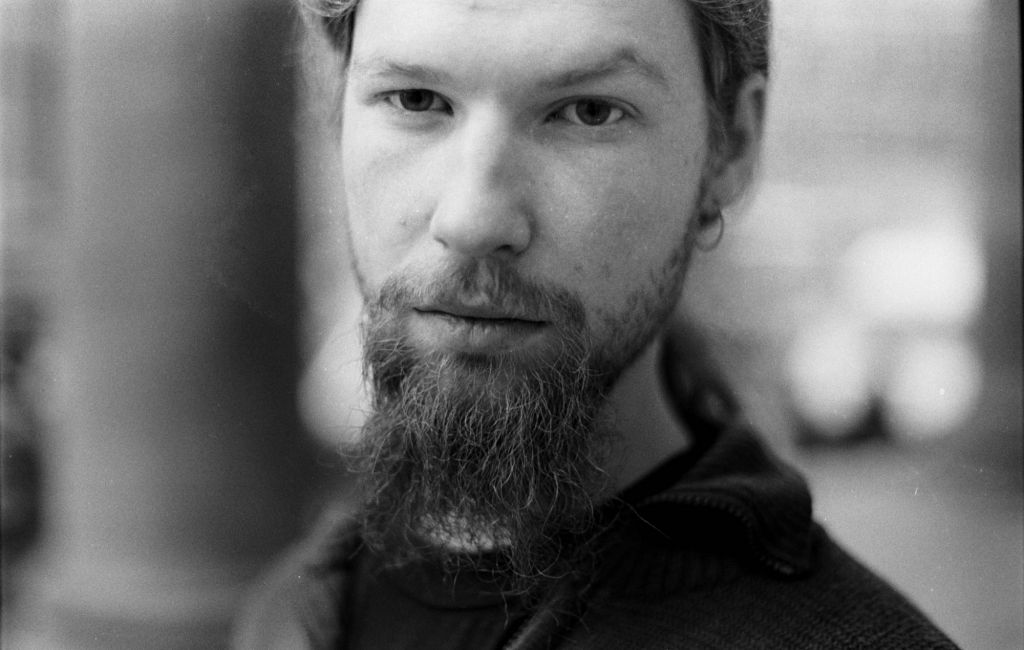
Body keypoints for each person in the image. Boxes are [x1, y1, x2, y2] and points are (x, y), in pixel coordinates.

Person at [235, 0, 959, 647]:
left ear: (730, 145)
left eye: (588, 111)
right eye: (415, 99)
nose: (474, 218)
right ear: (336, 112)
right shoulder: (290, 608)